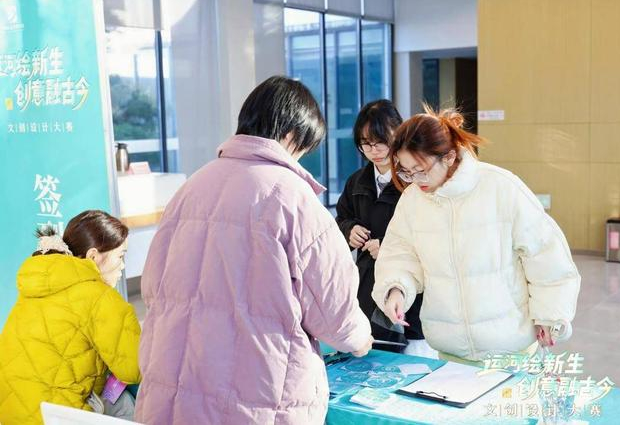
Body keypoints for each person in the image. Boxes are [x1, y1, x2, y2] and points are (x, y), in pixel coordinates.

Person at [135, 76, 372, 425]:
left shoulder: (192, 186)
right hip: (256, 391)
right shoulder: (293, 197)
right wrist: (359, 337)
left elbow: (153, 286)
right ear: (291, 135)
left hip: (178, 378)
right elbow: (332, 306)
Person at [372, 106, 581, 365]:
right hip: (450, 352)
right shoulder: (413, 200)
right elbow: (400, 253)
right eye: (406, 171)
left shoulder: (500, 187)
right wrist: (396, 289)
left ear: (448, 156)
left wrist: (549, 315)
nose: (415, 179)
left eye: (421, 169)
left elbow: (546, 255)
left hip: (510, 351)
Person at [0, 210, 141, 425]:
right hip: (56, 418)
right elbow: (135, 369)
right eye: (120, 256)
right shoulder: (99, 296)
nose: (122, 266)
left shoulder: (32, 291)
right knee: (128, 404)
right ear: (93, 256)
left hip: (10, 414)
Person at [336, 99, 432, 357]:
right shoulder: (356, 182)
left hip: (412, 291)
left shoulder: (414, 182)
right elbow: (341, 219)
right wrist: (349, 230)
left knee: (414, 357)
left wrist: (389, 248)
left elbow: (429, 235)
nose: (374, 150)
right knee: (373, 356)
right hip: (367, 286)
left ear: (397, 137)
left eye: (381, 142)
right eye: (366, 144)